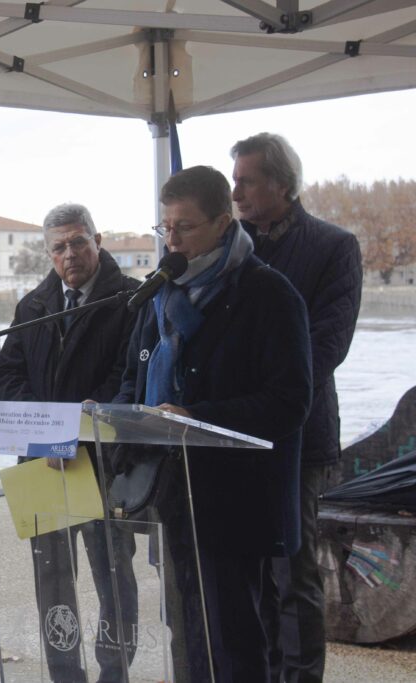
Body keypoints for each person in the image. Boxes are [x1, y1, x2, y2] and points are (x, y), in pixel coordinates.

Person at [114, 166, 312, 682]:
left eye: (185, 227)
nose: (171, 240)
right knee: (189, 638)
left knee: (236, 641)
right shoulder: (159, 293)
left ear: (223, 223)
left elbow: (290, 402)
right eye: (164, 228)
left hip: (236, 503)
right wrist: (115, 416)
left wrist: (197, 418)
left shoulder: (269, 295)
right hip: (172, 492)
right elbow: (133, 379)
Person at [231, 132, 363, 683]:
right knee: (249, 574)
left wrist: (249, 388)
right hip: (232, 436)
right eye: (233, 180)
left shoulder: (333, 247)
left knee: (294, 575)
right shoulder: (227, 248)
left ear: (282, 184)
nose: (234, 191)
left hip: (300, 438)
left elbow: (326, 346)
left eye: (246, 180)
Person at [0, 204, 140, 683]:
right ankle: (64, 673)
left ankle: (113, 672)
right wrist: (46, 433)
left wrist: (82, 428)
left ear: (98, 240)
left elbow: (130, 379)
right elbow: (9, 375)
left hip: (103, 462)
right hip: (43, 464)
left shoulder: (131, 300)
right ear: (48, 253)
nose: (70, 253)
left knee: (113, 577)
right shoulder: (33, 305)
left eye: (79, 241)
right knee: (52, 579)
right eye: (59, 247)